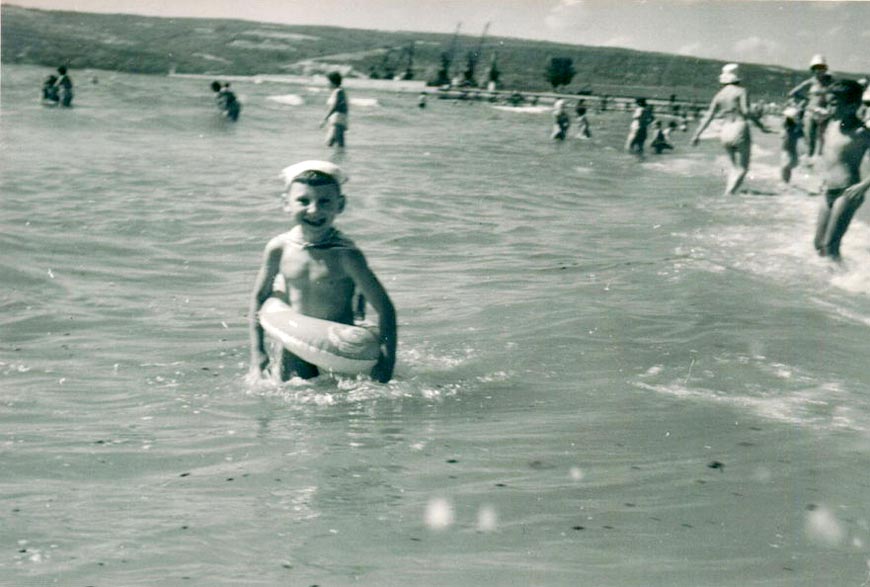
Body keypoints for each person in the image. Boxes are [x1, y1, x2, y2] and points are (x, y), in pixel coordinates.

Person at [248, 160, 396, 382]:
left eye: (324, 201)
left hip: (339, 351)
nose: (314, 210)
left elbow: (385, 309)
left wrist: (386, 361)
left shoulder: (346, 255)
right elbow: (259, 298)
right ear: (286, 203)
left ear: (340, 205)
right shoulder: (278, 248)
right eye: (303, 201)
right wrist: (257, 353)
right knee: (294, 405)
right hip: (296, 347)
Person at [812, 80, 870, 260]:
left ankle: (849, 284)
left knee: (830, 245)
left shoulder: (861, 132)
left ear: (852, 106)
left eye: (834, 104)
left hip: (848, 192)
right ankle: (834, 282)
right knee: (818, 244)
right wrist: (822, 178)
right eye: (828, 103)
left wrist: (863, 186)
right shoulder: (830, 124)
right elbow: (830, 155)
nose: (829, 107)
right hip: (828, 190)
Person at [691, 63, 770, 195]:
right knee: (743, 168)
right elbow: (745, 111)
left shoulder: (719, 95)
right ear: (737, 77)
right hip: (739, 127)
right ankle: (729, 194)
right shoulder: (741, 91)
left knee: (733, 167)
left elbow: (709, 116)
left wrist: (696, 135)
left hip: (725, 130)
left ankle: (728, 193)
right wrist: (761, 126)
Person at [788, 54, 833, 158]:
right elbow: (792, 93)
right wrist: (806, 99)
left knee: (823, 139)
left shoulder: (830, 82)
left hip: (824, 113)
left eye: (821, 67)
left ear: (825, 69)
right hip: (810, 112)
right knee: (809, 138)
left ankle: (819, 160)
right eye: (816, 68)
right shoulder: (810, 82)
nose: (818, 70)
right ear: (813, 70)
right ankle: (809, 160)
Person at [321, 71, 349, 148]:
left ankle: (337, 158)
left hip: (337, 119)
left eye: (328, 82)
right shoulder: (339, 91)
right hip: (338, 119)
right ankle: (340, 159)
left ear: (333, 82)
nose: (327, 84)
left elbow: (334, 106)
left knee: (329, 143)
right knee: (339, 144)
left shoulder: (338, 91)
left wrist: (325, 119)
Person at [779, 103, 803, 183]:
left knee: (786, 167)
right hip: (789, 149)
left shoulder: (790, 127)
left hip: (788, 149)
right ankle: (785, 181)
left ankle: (785, 182)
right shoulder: (792, 127)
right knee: (786, 167)